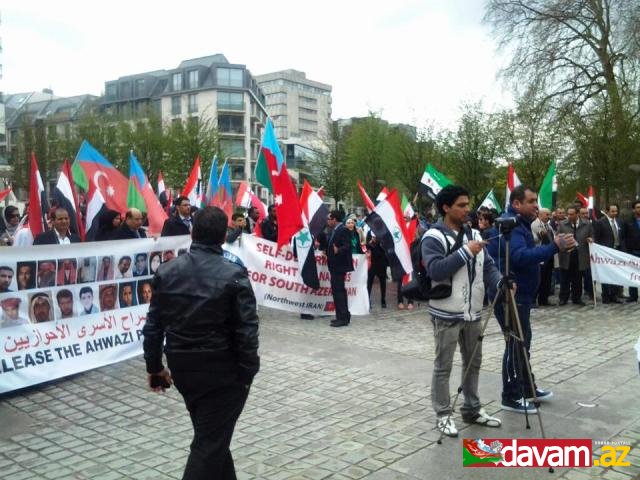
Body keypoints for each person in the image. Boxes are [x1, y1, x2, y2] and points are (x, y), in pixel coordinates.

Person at [143, 206, 259, 479]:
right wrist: (247, 372)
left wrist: (155, 366)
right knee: (209, 442)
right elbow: (248, 331)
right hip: (223, 373)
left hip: (184, 368)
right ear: (222, 237)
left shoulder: (167, 271)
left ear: (193, 232)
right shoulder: (234, 274)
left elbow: (153, 326)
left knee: (213, 436)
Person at [422, 185, 504, 437]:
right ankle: (443, 414)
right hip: (447, 313)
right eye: (461, 205)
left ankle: (472, 408)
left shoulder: (475, 234)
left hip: (473, 312)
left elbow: (487, 265)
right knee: (443, 366)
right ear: (446, 208)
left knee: (473, 363)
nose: (467, 209)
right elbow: (435, 270)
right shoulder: (433, 237)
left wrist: (500, 281)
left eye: (468, 204)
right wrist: (466, 251)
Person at [488, 185, 574, 414]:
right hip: (511, 296)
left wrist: (554, 247)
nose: (536, 205)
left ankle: (527, 387)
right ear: (517, 204)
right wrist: (553, 247)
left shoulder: (522, 225)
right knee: (516, 343)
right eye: (531, 201)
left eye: (536, 201)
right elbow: (519, 257)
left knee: (523, 342)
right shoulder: (512, 226)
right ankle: (511, 396)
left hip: (523, 295)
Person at [557, 206, 593, 306]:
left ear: (577, 214)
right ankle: (563, 298)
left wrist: (590, 239)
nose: (569, 216)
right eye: (568, 214)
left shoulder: (587, 224)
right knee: (564, 278)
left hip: (581, 255)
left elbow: (592, 235)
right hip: (567, 255)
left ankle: (577, 298)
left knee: (578, 278)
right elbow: (557, 237)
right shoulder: (563, 224)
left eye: (571, 214)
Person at [326, 210, 353, 327]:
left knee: (339, 291)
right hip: (334, 265)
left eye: (329, 219)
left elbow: (347, 246)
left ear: (334, 220)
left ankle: (343, 317)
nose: (328, 221)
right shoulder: (335, 230)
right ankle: (341, 316)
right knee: (337, 291)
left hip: (339, 266)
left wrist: (338, 250)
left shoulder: (343, 229)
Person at [593, 204, 623, 303]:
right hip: (605, 253)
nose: (615, 213)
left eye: (616, 211)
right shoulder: (600, 223)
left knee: (616, 274)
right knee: (606, 274)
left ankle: (614, 295)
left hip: (618, 252)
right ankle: (605, 296)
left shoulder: (619, 222)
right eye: (612, 211)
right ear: (607, 211)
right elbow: (596, 238)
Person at [530, 208, 555, 306]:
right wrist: (540, 235)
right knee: (538, 278)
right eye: (547, 214)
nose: (549, 216)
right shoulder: (534, 225)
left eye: (549, 214)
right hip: (540, 255)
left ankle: (544, 299)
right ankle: (533, 300)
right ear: (540, 215)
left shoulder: (548, 225)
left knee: (547, 279)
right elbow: (533, 239)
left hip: (549, 255)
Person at [622, 200, 640, 303]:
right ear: (633, 209)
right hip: (633, 252)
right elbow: (623, 237)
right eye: (638, 207)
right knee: (632, 274)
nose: (639, 209)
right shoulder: (627, 221)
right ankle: (633, 295)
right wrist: (626, 251)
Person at [366, 231, 388, 309]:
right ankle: (367, 300)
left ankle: (383, 299)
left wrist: (380, 241)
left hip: (382, 263)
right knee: (369, 282)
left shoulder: (383, 231)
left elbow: (386, 246)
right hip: (372, 263)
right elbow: (366, 247)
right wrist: (370, 242)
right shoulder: (369, 232)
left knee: (383, 282)